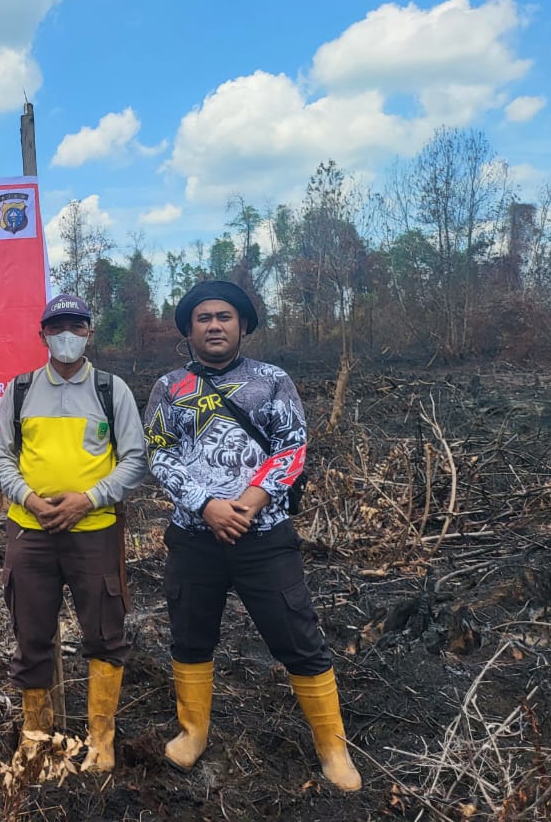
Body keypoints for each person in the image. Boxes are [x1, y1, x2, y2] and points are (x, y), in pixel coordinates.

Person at [144, 279, 361, 792]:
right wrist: (207, 505)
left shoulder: (273, 380)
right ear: (189, 330)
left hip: (264, 536)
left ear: (242, 326)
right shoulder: (168, 388)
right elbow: (159, 454)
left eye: (224, 317)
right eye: (203, 318)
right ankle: (193, 732)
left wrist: (250, 501)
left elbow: (292, 447)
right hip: (194, 538)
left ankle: (332, 747)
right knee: (190, 636)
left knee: (298, 636)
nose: (214, 325)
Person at [0, 293, 147, 773]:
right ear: (42, 335)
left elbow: (136, 460)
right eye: (57, 327)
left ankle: (101, 740)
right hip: (30, 532)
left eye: (77, 326)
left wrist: (88, 499)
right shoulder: (18, 391)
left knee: (104, 632)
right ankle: (35, 738)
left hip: (95, 530)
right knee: (31, 633)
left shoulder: (110, 389)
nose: (67, 335)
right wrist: (30, 500)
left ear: (89, 333)